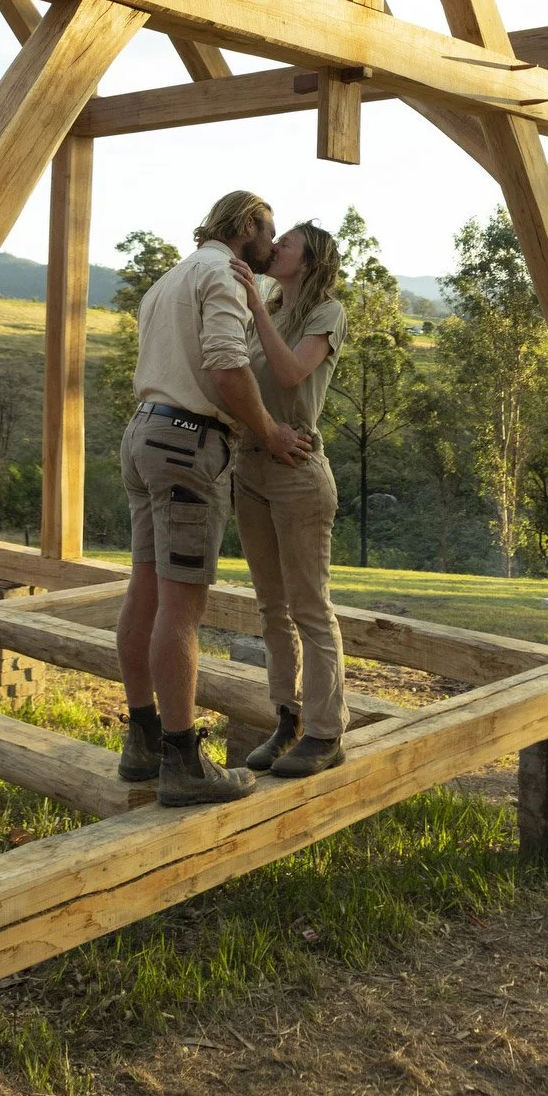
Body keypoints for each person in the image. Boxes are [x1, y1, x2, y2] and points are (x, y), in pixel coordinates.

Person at [116, 191, 314, 806]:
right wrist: (271, 432)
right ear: (247, 223)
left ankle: (143, 739)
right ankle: (182, 762)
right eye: (269, 231)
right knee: (181, 607)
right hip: (187, 443)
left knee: (145, 590)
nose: (271, 244)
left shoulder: (168, 280)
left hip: (144, 433)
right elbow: (227, 368)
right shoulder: (222, 274)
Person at [229, 221, 350, 778]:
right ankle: (288, 719)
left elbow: (289, 372)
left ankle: (326, 733)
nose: (275, 246)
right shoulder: (271, 311)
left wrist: (255, 306)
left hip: (298, 472)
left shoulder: (327, 313)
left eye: (288, 242)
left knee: (309, 607)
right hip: (249, 465)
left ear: (311, 259)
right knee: (270, 606)